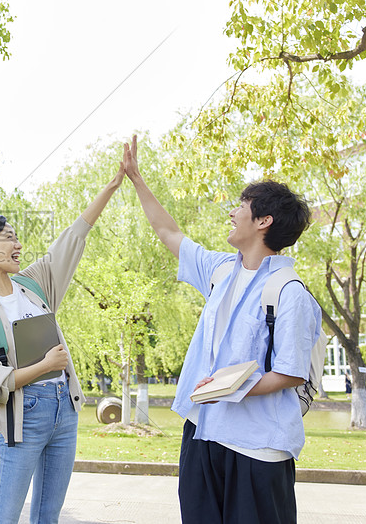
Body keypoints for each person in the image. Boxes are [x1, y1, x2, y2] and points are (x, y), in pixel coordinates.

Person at [122, 138, 321, 524]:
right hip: (202, 431)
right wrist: (137, 179)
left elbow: (291, 370)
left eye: (241, 207)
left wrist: (229, 387)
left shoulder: (289, 292)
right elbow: (168, 232)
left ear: (264, 221)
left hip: (257, 446)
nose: (232, 213)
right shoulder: (221, 270)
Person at [0, 163, 125, 524]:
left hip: (65, 409)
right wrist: (45, 366)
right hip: (24, 415)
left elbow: (71, 241)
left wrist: (109, 188)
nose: (18, 245)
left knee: (49, 515)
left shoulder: (32, 285)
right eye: (9, 238)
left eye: (17, 239)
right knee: (5, 516)